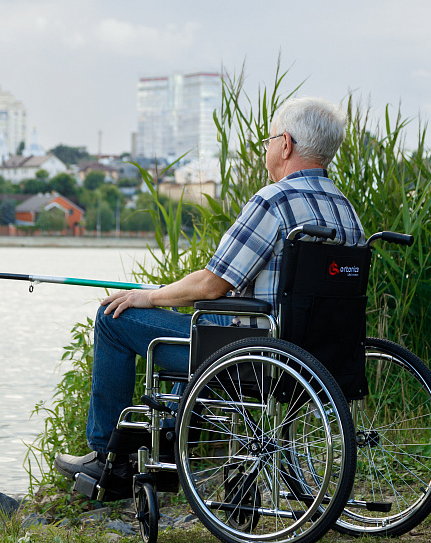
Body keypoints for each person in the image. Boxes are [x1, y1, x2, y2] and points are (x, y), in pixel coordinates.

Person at [54, 97, 365, 480]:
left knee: (112, 318)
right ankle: (170, 439)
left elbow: (211, 283)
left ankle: (108, 459)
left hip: (251, 356)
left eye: (269, 140)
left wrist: (147, 296)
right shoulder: (345, 210)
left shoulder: (275, 201)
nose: (267, 148)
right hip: (319, 358)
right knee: (201, 318)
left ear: (285, 144)